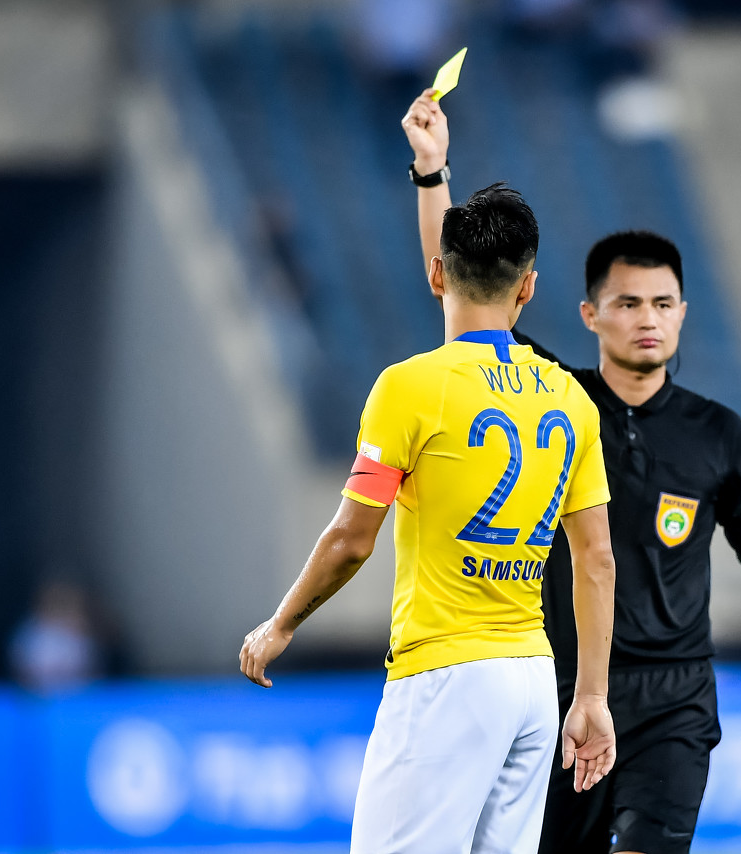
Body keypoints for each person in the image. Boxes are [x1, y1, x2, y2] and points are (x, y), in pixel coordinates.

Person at [402, 90, 741, 854]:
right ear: (590, 315)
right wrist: (432, 172)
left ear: (683, 313)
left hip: (676, 700)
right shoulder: (555, 400)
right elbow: (462, 295)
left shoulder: (719, 435)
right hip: (565, 689)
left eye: (663, 303)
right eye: (627, 303)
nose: (647, 318)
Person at [240, 182, 618, 854]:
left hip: (445, 674)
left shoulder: (408, 388)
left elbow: (351, 539)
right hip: (533, 680)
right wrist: (590, 696)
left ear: (438, 274)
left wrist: (282, 623)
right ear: (528, 287)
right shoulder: (571, 398)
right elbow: (597, 558)